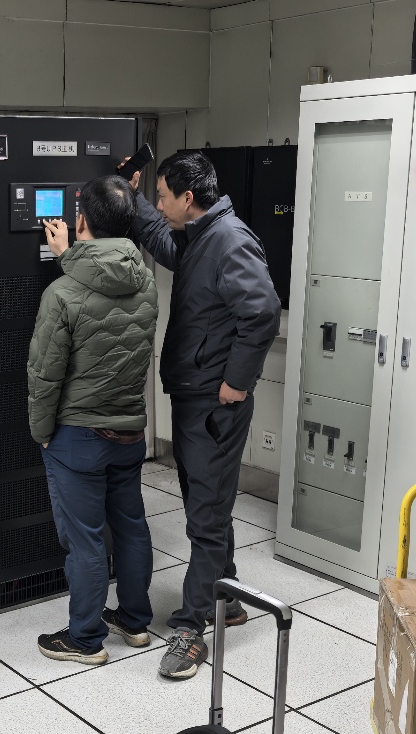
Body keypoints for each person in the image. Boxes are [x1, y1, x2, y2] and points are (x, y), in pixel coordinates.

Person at [125, 150, 280, 680]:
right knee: (204, 502)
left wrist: (237, 382)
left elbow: (262, 312)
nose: (159, 205)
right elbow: (164, 241)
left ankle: (191, 628)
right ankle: (227, 597)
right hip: (195, 395)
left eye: (162, 196)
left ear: (188, 198)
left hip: (216, 403)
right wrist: (132, 200)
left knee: (206, 516)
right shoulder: (200, 235)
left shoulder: (230, 240)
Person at [28, 174, 159, 665]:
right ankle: (135, 622)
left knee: (84, 540)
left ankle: (84, 639)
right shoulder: (147, 282)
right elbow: (107, 292)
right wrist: (72, 255)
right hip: (129, 431)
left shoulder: (61, 294)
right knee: (131, 527)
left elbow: (45, 374)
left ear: (81, 221)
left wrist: (42, 432)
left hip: (77, 437)